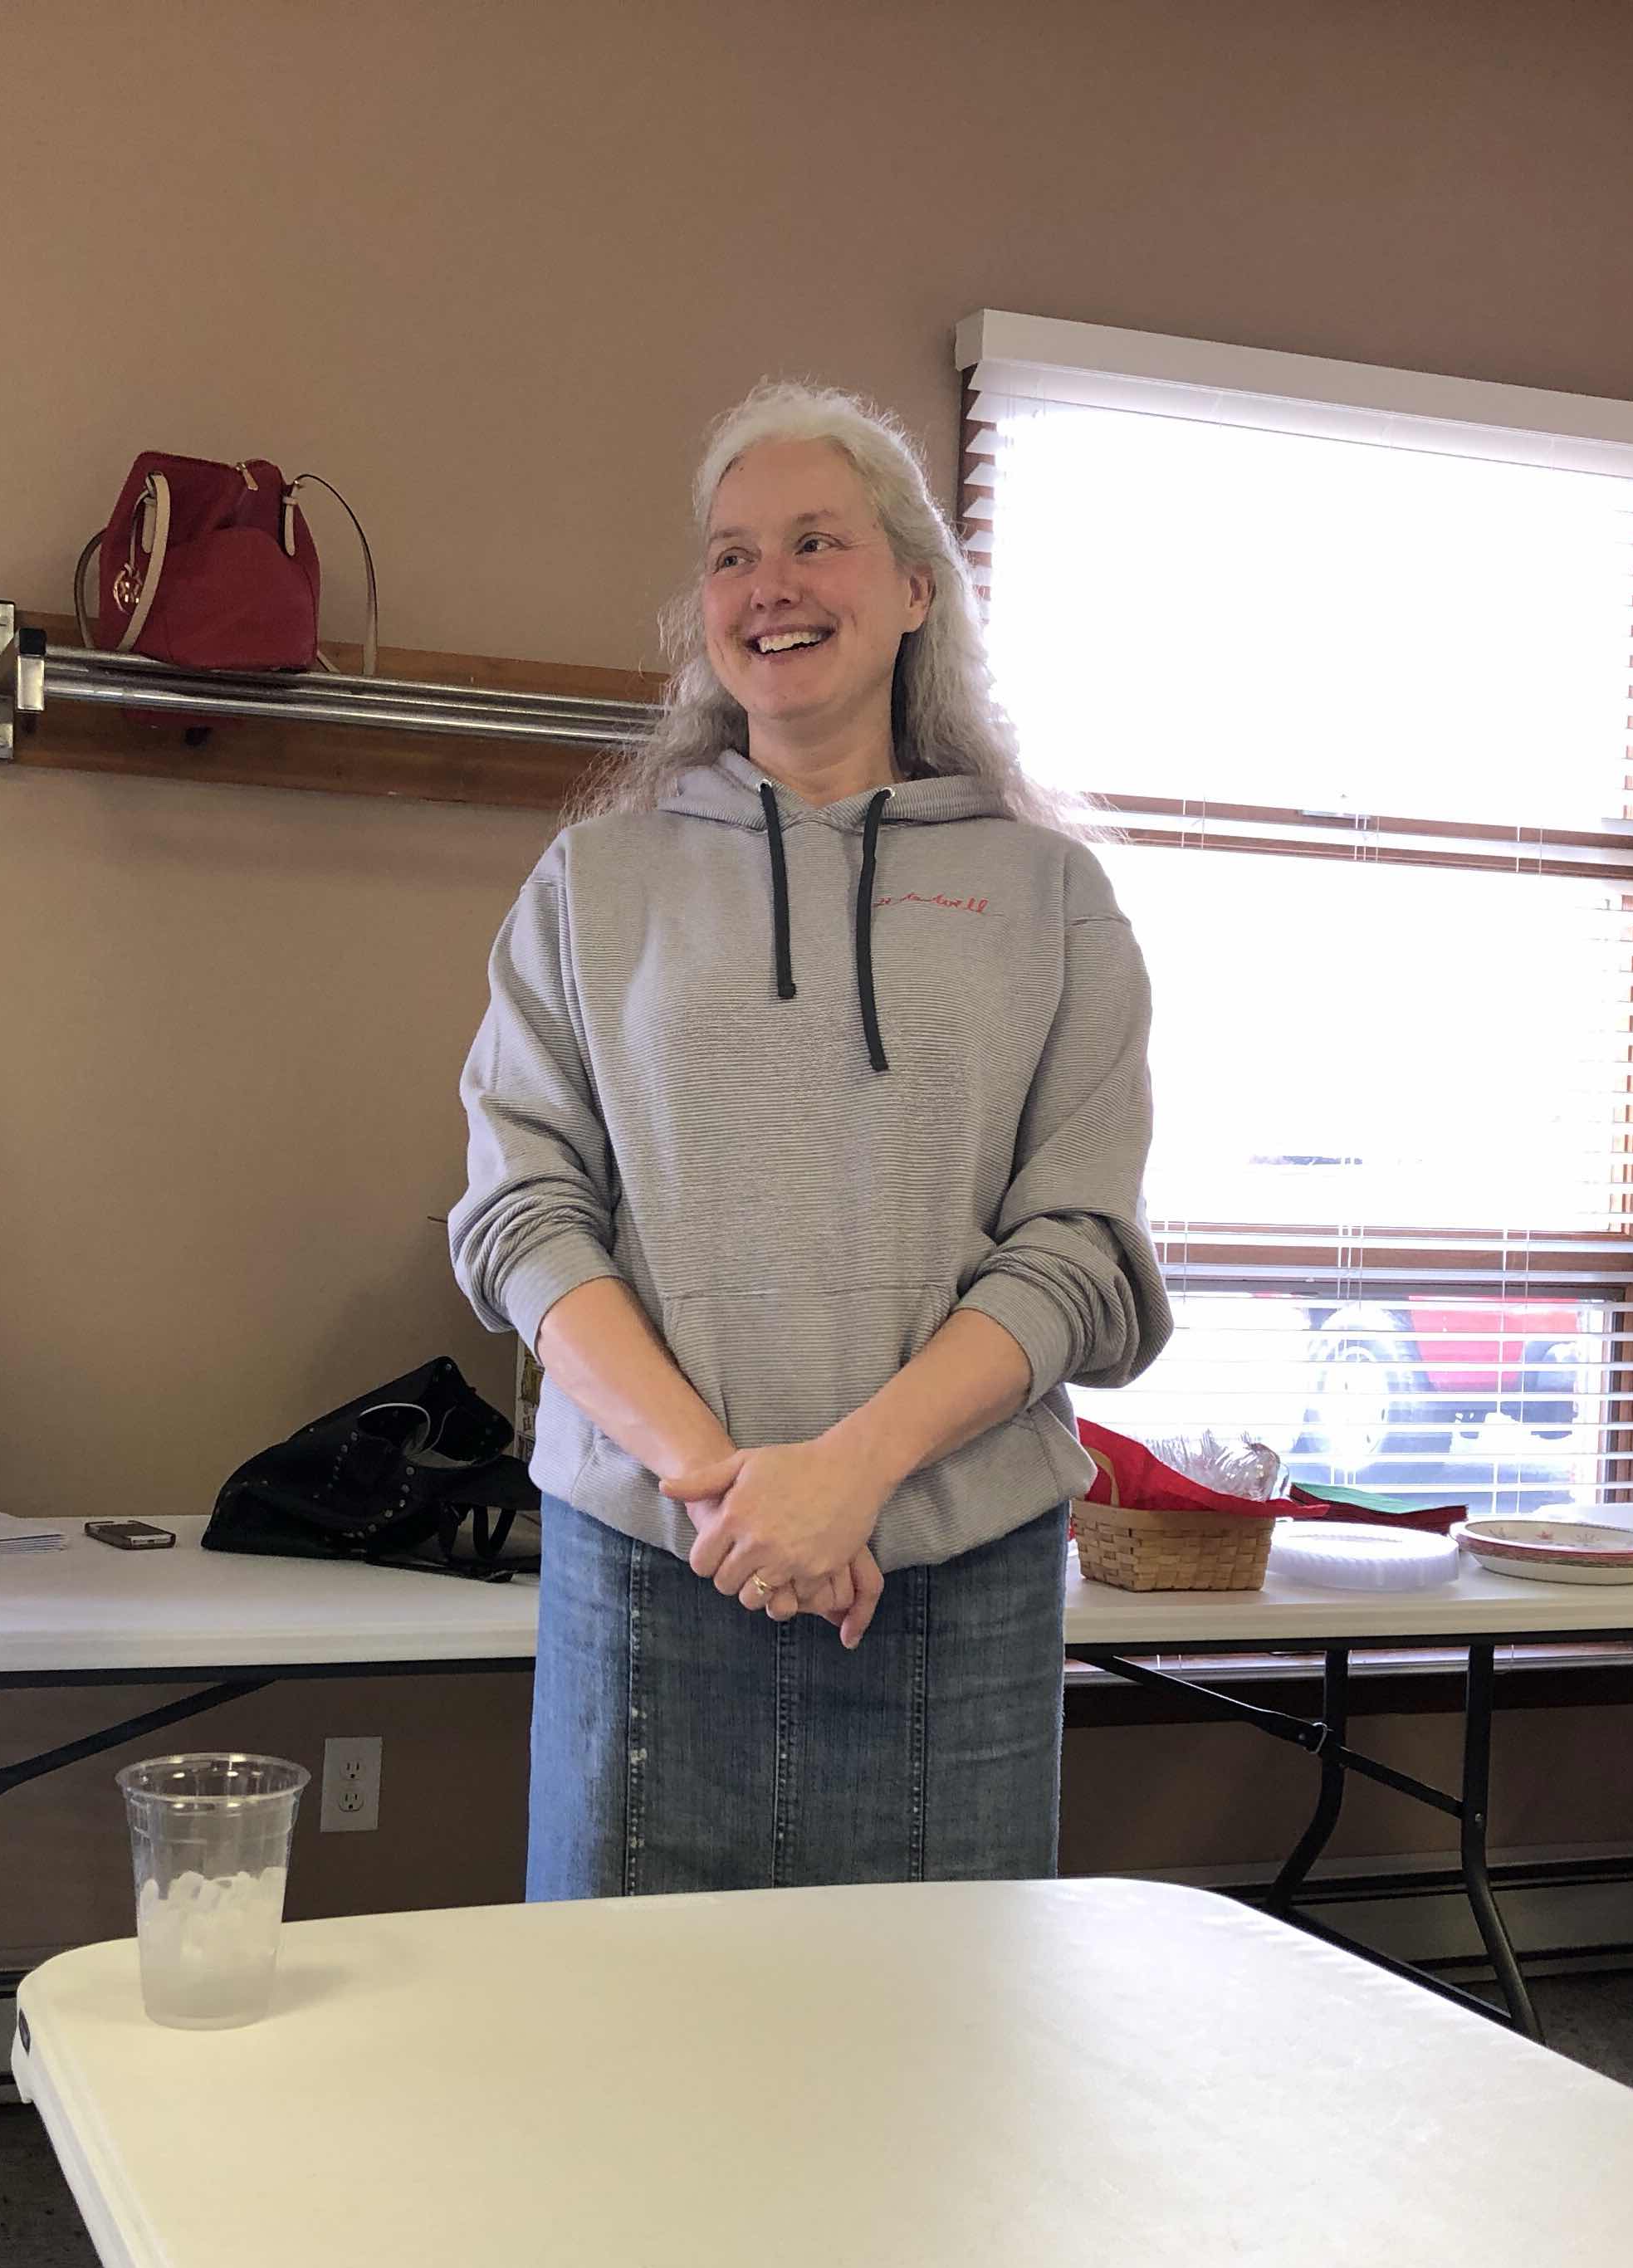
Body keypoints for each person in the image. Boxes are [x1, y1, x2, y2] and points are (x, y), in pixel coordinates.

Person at [449, 382, 1171, 1900]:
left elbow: (1079, 1248)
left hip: (960, 1579)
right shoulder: (594, 881)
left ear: (915, 590)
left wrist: (851, 1475)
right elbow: (522, 1213)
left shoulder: (1051, 898)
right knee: (625, 2027)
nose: (767, 585)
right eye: (731, 555)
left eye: (815, 542)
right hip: (652, 1559)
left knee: (940, 2026)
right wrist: (723, 1488)